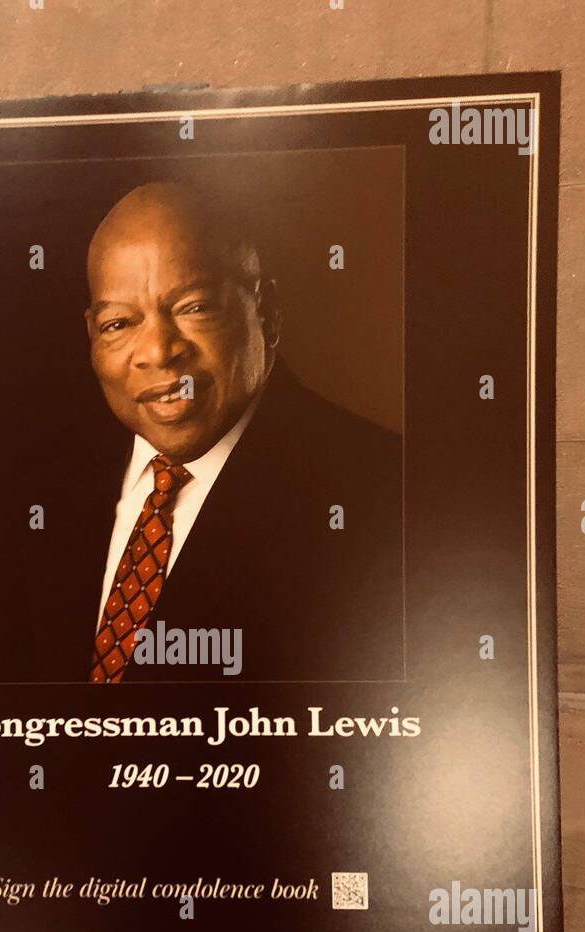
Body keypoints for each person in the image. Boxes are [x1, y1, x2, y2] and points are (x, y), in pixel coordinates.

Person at [76, 179, 403, 683]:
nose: (159, 351)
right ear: (93, 335)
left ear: (267, 315)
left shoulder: (392, 497)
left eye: (194, 307)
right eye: (120, 323)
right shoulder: (35, 493)